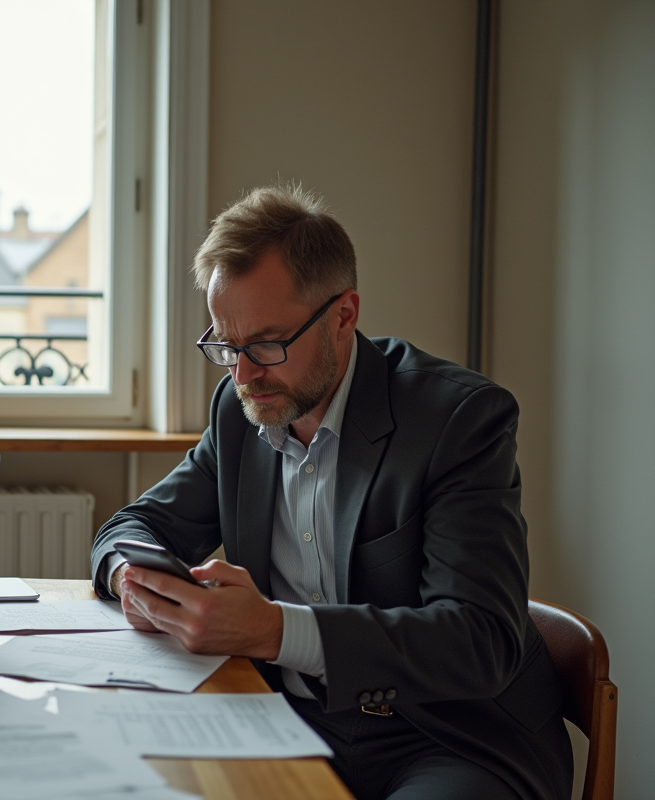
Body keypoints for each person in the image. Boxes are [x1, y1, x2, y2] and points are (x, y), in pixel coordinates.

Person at [92, 184, 572, 800]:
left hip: (450, 737)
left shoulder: (457, 421)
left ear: (344, 315)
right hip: (290, 717)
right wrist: (133, 580)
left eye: (267, 343)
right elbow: (133, 527)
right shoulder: (241, 411)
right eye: (226, 346)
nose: (244, 374)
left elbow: (480, 640)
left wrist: (272, 630)